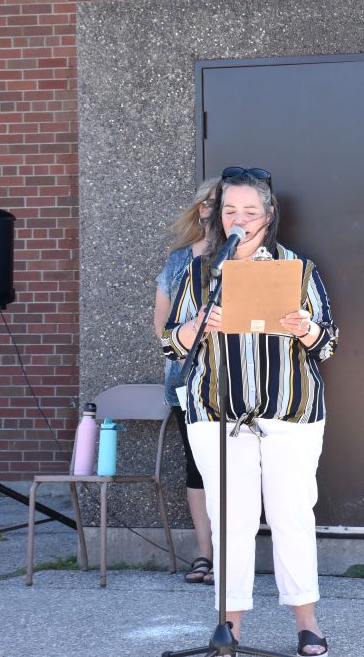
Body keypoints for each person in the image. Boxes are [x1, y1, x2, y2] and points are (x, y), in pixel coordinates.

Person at [162, 167, 338, 656]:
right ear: (219, 215)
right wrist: (198, 324)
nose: (239, 219)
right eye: (230, 210)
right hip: (217, 415)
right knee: (230, 521)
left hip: (289, 414)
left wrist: (304, 328)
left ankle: (307, 622)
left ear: (268, 214)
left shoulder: (297, 268)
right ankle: (230, 627)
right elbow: (171, 344)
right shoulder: (199, 271)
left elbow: (328, 343)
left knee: (292, 518)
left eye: (250, 211)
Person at [153, 177, 218, 585]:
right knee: (198, 470)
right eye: (212, 203)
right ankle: (205, 555)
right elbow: (161, 329)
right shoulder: (178, 262)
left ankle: (235, 556)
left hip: (238, 382)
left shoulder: (252, 258)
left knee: (239, 471)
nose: (218, 210)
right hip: (185, 381)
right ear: (201, 209)